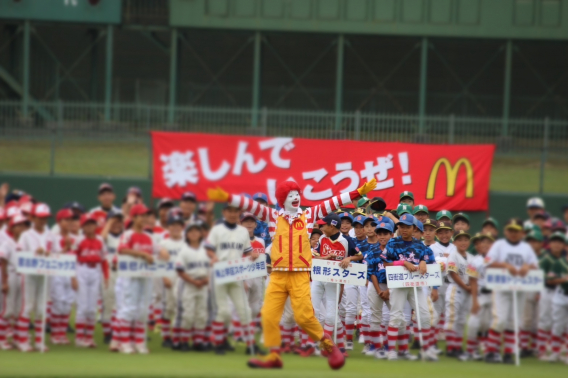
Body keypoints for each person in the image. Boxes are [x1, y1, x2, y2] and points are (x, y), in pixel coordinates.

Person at [207, 178, 376, 369]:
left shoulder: (309, 215)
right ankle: (274, 356)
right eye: (290, 195)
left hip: (300, 275)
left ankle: (329, 346)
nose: (295, 197)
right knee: (269, 316)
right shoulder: (272, 216)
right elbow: (251, 206)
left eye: (297, 194)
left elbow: (334, 201)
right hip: (277, 275)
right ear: (282, 199)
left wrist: (359, 192)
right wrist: (228, 197)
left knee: (304, 317)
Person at [204, 204, 256, 355]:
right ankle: (220, 343)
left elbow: (247, 252)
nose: (233, 214)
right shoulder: (217, 230)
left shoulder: (243, 232)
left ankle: (250, 345)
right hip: (219, 273)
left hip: (236, 274)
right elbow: (208, 248)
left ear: (239, 212)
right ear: (224, 212)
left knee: (244, 310)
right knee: (223, 311)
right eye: (230, 211)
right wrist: (213, 256)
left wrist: (253, 256)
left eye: (235, 211)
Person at [385, 214, 437, 361]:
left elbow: (432, 264)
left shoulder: (420, 245)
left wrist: (423, 263)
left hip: (417, 284)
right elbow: (386, 263)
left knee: (424, 315)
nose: (404, 229)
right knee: (397, 316)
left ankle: (426, 350)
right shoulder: (393, 243)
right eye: (401, 226)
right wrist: (403, 263)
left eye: (408, 226)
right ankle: (391, 351)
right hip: (399, 284)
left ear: (414, 228)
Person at [485, 218, 538, 364]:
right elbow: (487, 262)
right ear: (506, 231)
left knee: (514, 321)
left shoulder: (526, 247)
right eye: (511, 230)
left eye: (516, 230)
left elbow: (535, 266)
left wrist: (528, 267)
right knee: (500, 319)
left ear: (522, 232)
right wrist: (504, 265)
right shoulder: (499, 245)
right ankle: (491, 351)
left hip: (520, 288)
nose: (513, 233)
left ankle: (508, 353)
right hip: (501, 287)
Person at [313, 213, 363, 356]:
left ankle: (328, 346)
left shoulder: (346, 240)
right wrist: (325, 257)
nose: (321, 227)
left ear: (332, 225)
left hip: (334, 281)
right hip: (319, 277)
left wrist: (349, 258)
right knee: (314, 311)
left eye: (324, 225)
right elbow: (316, 256)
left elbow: (360, 256)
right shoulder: (322, 238)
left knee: (331, 316)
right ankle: (334, 346)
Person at [112, 204, 156, 354]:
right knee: (129, 308)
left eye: (146, 216)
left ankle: (139, 342)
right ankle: (124, 343)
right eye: (141, 216)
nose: (144, 218)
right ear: (134, 217)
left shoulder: (149, 236)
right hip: (130, 276)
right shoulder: (128, 234)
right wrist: (142, 254)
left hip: (146, 276)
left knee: (143, 309)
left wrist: (164, 253)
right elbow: (122, 249)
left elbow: (158, 250)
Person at [17, 203, 57, 352]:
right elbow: (19, 253)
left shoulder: (50, 234)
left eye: (46, 218)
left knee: (41, 308)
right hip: (29, 275)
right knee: (27, 307)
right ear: (32, 218)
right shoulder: (26, 235)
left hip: (44, 276)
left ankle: (39, 342)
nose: (43, 221)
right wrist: (35, 253)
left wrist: (49, 254)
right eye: (40, 218)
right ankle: (23, 341)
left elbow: (57, 253)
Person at [174, 223, 211, 352]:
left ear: (201, 234)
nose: (194, 234)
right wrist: (193, 281)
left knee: (201, 314)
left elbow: (213, 268)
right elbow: (179, 270)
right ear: (187, 235)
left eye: (197, 231)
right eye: (191, 232)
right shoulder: (184, 251)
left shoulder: (206, 251)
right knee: (188, 314)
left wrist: (207, 279)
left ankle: (198, 342)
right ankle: (184, 341)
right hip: (189, 284)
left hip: (203, 284)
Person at [74, 214, 109, 348]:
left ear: (96, 225)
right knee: (82, 306)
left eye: (92, 223)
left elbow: (104, 260)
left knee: (92, 307)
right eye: (87, 224)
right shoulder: (79, 240)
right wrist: (73, 276)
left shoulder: (100, 240)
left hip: (96, 271)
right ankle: (79, 338)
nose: (90, 226)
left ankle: (89, 338)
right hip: (81, 269)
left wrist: (106, 276)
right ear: (82, 226)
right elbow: (72, 259)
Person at [461, 232, 495, 361]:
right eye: (483, 242)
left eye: (488, 242)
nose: (485, 244)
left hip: (494, 295)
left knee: (489, 324)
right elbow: (473, 281)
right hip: (480, 294)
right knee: (473, 323)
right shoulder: (475, 261)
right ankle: (470, 351)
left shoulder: (498, 261)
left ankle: (489, 351)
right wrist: (474, 300)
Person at [444, 230, 477, 358]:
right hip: (455, 288)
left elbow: (474, 275)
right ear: (454, 242)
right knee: (452, 318)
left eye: (465, 240)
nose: (463, 242)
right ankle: (450, 347)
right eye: (460, 240)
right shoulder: (453, 255)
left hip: (467, 291)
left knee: (462, 319)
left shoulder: (471, 257)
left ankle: (457, 346)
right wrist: (466, 287)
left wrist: (471, 288)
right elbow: (453, 273)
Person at [157, 210, 186, 349]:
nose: (175, 227)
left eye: (178, 224)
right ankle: (166, 336)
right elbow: (159, 263)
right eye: (172, 224)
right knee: (168, 307)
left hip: (183, 279)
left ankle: (177, 336)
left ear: (182, 226)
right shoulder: (163, 243)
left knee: (181, 307)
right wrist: (164, 277)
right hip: (169, 277)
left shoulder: (187, 242)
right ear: (168, 227)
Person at [50, 208, 79, 346]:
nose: (69, 222)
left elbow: (74, 259)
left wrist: (74, 277)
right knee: (58, 303)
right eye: (66, 219)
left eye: (71, 219)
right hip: (57, 273)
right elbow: (51, 258)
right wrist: (65, 249)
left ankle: (62, 333)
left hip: (70, 273)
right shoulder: (53, 237)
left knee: (67, 304)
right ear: (59, 221)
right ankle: (55, 333)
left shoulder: (75, 238)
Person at [0, 214, 29, 350]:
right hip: (11, 274)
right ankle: (1, 339)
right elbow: (3, 262)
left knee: (18, 309)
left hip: (22, 275)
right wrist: (4, 282)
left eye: (23, 225)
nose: (21, 228)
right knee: (7, 309)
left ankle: (17, 339)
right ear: (12, 227)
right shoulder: (8, 243)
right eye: (18, 225)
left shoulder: (25, 243)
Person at [366, 220, 393, 360]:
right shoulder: (373, 250)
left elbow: (397, 272)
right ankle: (376, 347)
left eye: (385, 234)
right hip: (375, 285)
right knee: (375, 316)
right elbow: (371, 272)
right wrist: (379, 291)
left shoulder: (396, 251)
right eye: (380, 234)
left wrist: (388, 290)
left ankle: (389, 346)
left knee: (394, 317)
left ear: (391, 234)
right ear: (376, 236)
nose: (382, 237)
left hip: (392, 287)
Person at [537, 231, 566, 361]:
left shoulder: (562, 260)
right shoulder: (546, 259)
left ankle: (559, 350)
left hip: (560, 292)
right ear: (549, 244)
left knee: (561, 324)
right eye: (554, 241)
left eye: (559, 242)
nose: (556, 244)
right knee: (545, 321)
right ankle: (542, 350)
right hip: (547, 291)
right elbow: (542, 278)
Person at [240, 212, 265, 354]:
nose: (249, 224)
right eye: (246, 221)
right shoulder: (238, 240)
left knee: (255, 308)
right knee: (243, 308)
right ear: (241, 224)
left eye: (251, 222)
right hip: (243, 275)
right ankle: (245, 338)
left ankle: (245, 334)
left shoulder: (260, 241)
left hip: (257, 277)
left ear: (256, 224)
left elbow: (261, 261)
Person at [429, 220, 455, 342]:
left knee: (448, 310)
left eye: (447, 232)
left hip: (451, 284)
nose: (444, 235)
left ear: (452, 233)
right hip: (437, 284)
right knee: (435, 311)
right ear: (436, 234)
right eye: (440, 232)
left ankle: (443, 333)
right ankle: (432, 336)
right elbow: (428, 267)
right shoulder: (432, 248)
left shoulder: (455, 248)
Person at [100, 210, 124, 344]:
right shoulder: (106, 236)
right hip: (107, 273)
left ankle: (116, 331)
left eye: (119, 220)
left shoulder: (125, 236)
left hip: (121, 272)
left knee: (119, 303)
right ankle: (107, 333)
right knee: (108, 302)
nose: (117, 223)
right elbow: (101, 239)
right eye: (114, 220)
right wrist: (109, 222)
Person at [545, 233, 568, 363]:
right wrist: (563, 279)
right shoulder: (559, 262)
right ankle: (555, 352)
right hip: (560, 296)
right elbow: (550, 280)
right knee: (557, 325)